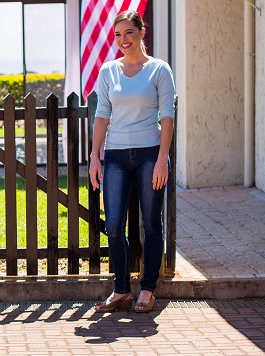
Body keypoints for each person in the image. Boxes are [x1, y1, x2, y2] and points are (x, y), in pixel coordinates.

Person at [87, 10, 176, 314]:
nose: (123, 40)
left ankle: (148, 288)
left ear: (141, 32)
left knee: (150, 223)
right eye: (118, 35)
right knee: (113, 224)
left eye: (128, 33)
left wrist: (163, 158)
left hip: (150, 153)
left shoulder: (159, 70)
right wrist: (94, 156)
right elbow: (101, 116)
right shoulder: (108, 71)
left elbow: (167, 116)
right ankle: (121, 288)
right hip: (115, 156)